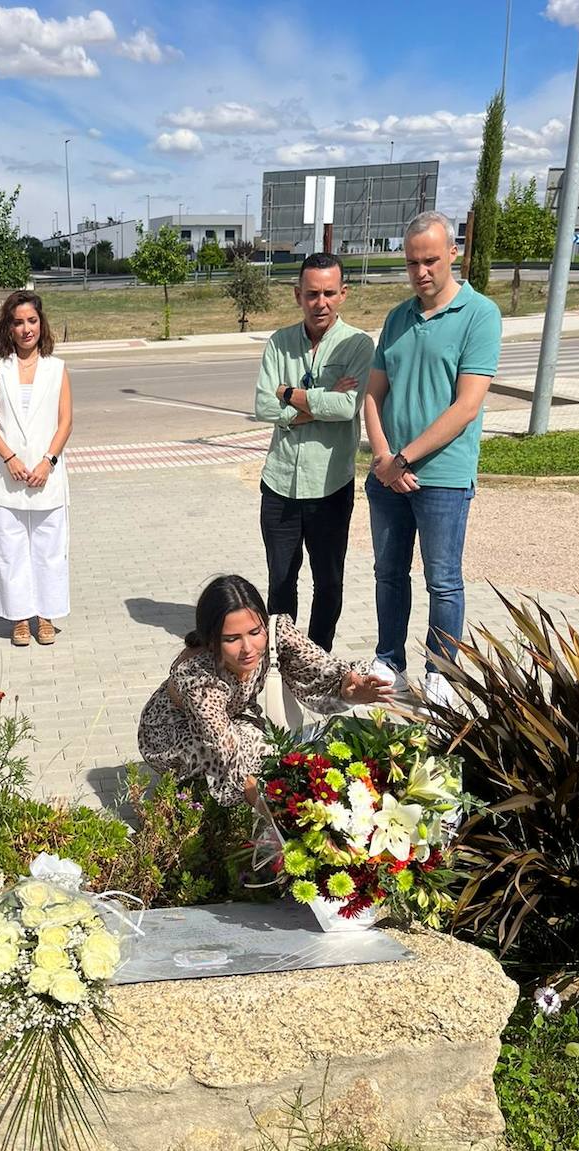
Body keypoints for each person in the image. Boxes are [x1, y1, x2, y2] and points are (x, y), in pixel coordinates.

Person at [363, 211, 501, 709]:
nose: (421, 272)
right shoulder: (397, 318)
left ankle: (442, 670)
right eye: (412, 262)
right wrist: (383, 458)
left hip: (440, 476)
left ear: (452, 254)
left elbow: (466, 406)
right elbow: (373, 395)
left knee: (442, 579)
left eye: (431, 260)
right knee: (388, 574)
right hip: (387, 474)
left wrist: (403, 458)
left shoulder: (480, 314)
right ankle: (389, 662)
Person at [137, 574, 392, 806]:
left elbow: (319, 667)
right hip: (170, 730)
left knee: (268, 749)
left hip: (232, 715)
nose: (248, 647)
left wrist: (348, 686)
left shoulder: (276, 631)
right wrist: (264, 808)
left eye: (255, 632)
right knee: (255, 753)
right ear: (212, 639)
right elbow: (225, 748)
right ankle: (194, 795)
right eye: (232, 639)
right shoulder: (200, 679)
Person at [254, 252, 375, 651]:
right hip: (279, 485)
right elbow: (263, 407)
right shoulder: (279, 342)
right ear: (297, 295)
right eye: (311, 294)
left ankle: (319, 656)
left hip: (329, 486)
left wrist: (290, 395)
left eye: (327, 293)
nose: (319, 302)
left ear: (343, 294)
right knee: (281, 581)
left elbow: (347, 408)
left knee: (328, 581)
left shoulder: (358, 343)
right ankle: (284, 657)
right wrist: (316, 403)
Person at [0, 290, 72, 647]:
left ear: (41, 323)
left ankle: (45, 615)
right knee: (10, 550)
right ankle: (18, 617)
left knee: (48, 550)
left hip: (47, 477)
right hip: (7, 477)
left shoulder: (56, 367)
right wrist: (10, 458)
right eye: (18, 322)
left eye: (32, 320)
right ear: (9, 327)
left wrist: (48, 462)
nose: (26, 328)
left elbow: (65, 422)